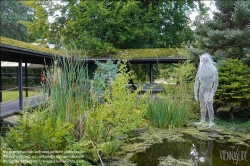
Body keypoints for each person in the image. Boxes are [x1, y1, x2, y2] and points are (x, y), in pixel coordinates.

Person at [194, 53, 218, 127]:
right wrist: (195, 93)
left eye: (204, 60)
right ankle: (203, 120)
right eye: (202, 60)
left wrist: (212, 93)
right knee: (202, 106)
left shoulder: (213, 71)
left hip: (208, 90)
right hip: (202, 90)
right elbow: (196, 82)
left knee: (209, 106)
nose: (203, 62)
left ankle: (211, 121)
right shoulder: (200, 71)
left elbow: (216, 83)